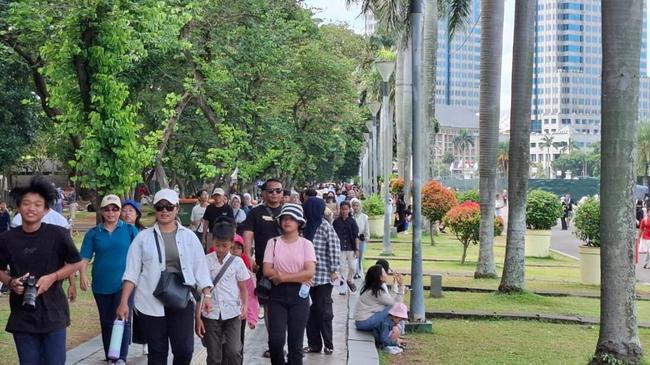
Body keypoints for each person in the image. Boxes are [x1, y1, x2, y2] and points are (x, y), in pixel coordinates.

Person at [117, 189, 213, 365]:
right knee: (157, 352)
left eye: (169, 207)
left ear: (177, 209)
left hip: (181, 299)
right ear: (155, 209)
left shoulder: (189, 237)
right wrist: (124, 302)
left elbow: (200, 268)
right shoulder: (142, 238)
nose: (165, 211)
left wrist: (206, 294)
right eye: (160, 207)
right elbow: (131, 272)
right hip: (149, 301)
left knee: (184, 350)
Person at [0, 176, 83, 365]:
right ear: (19, 207)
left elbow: (76, 263)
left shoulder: (58, 234)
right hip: (23, 315)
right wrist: (11, 282)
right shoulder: (7, 239)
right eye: (26, 204)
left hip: (53, 313)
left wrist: (53, 277)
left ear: (46, 209)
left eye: (38, 204)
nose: (31, 208)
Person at [79, 195, 139, 364]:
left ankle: (121, 357)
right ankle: (110, 355)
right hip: (101, 284)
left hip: (125, 284)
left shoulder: (129, 230)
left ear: (120, 211)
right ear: (102, 211)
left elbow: (140, 256)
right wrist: (82, 275)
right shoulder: (93, 233)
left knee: (122, 318)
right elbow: (84, 258)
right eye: (107, 209)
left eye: (115, 209)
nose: (111, 212)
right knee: (106, 321)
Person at [263, 204, 316, 365]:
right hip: (277, 295)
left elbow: (309, 272)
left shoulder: (306, 244)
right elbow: (267, 270)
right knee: (276, 340)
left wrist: (283, 277)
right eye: (284, 218)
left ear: (299, 222)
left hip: (299, 296)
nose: (287, 222)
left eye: (292, 219)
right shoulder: (273, 242)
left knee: (296, 343)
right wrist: (295, 276)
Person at [196, 219, 249, 365]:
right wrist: (198, 317)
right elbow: (200, 291)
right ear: (213, 241)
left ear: (232, 243)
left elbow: (243, 288)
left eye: (224, 245)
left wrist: (245, 306)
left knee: (234, 351)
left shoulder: (237, 262)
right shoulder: (205, 261)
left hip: (233, 313)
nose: (220, 249)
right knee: (214, 355)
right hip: (210, 313)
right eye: (217, 245)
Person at [241, 178, 284, 358]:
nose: (274, 194)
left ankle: (285, 341)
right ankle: (274, 344)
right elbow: (248, 235)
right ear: (264, 193)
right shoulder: (255, 212)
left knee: (288, 306)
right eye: (270, 190)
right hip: (264, 267)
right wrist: (248, 257)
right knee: (269, 306)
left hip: (288, 267)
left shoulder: (289, 211)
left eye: (278, 190)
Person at [302, 197, 340, 355]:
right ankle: (314, 344)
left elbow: (334, 248)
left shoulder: (325, 226)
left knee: (323, 311)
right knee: (309, 312)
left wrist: (334, 270)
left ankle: (328, 344)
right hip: (305, 278)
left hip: (323, 277)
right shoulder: (302, 227)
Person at [119, 199, 148, 354]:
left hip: (140, 276)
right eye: (124, 210)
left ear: (137, 214)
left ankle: (146, 341)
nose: (127, 213)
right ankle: (123, 343)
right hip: (123, 276)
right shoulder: (117, 230)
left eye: (131, 210)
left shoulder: (144, 232)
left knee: (140, 309)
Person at [353, 265, 405, 348]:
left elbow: (390, 298)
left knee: (390, 308)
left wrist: (395, 283)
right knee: (392, 308)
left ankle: (390, 332)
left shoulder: (374, 289)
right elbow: (397, 304)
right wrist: (401, 286)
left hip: (362, 322)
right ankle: (389, 336)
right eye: (384, 272)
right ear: (380, 277)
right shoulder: (377, 292)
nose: (386, 274)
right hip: (364, 322)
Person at [229, 234, 258, 360]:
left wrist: (252, 318)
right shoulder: (215, 266)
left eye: (237, 248)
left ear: (242, 251)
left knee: (238, 343)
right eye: (231, 247)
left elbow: (251, 297)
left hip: (240, 313)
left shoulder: (246, 273)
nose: (234, 251)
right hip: (220, 312)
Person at [332, 201, 359, 293]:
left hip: (351, 247)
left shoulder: (352, 221)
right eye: (342, 209)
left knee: (353, 267)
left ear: (349, 210)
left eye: (346, 209)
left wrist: (357, 249)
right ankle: (342, 287)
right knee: (342, 268)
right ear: (340, 210)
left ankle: (349, 280)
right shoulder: (336, 222)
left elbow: (356, 236)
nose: (344, 211)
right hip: (340, 248)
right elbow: (333, 236)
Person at [351, 199, 369, 280]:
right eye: (354, 205)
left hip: (361, 238)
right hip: (352, 238)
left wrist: (366, 237)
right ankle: (356, 272)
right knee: (354, 255)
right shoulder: (350, 217)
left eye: (357, 205)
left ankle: (358, 271)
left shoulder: (364, 217)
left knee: (360, 255)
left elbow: (366, 228)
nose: (355, 207)